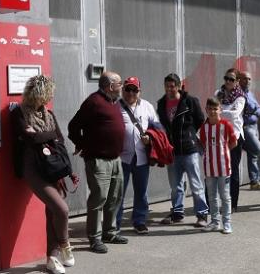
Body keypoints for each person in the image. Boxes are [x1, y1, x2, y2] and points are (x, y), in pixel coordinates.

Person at [12, 75, 78, 273]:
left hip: (51, 166)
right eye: (47, 94)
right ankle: (65, 245)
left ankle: (53, 257)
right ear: (38, 94)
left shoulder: (48, 114)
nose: (49, 98)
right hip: (32, 168)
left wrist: (42, 136)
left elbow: (59, 139)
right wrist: (47, 137)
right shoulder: (19, 113)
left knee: (53, 212)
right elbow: (30, 138)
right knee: (62, 209)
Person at [68, 71, 127, 254]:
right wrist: (82, 144)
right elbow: (73, 126)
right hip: (98, 160)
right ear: (110, 86)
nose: (121, 87)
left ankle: (110, 232)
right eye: (119, 84)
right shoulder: (93, 102)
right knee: (98, 199)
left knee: (114, 197)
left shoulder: (113, 102)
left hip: (115, 159)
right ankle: (95, 239)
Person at [157, 73, 208, 227]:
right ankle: (177, 213)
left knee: (196, 184)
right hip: (172, 151)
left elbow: (200, 119)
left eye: (172, 86)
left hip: (189, 149)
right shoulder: (161, 103)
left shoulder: (189, 101)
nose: (169, 89)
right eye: (167, 86)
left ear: (179, 86)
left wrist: (191, 136)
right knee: (175, 186)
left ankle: (202, 215)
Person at [116, 77, 161, 235]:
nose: (131, 93)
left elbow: (158, 127)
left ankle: (140, 221)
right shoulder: (116, 106)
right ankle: (115, 223)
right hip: (122, 158)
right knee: (118, 192)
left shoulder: (147, 106)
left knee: (141, 191)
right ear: (123, 90)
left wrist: (150, 136)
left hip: (141, 157)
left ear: (139, 92)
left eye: (134, 90)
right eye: (128, 89)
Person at [198, 97, 238, 234]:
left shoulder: (226, 125)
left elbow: (233, 143)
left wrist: (223, 153)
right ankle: (215, 222)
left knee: (225, 197)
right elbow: (203, 144)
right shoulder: (204, 127)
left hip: (224, 167)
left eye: (215, 108)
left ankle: (227, 223)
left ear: (220, 109)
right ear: (206, 110)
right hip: (209, 168)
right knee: (212, 197)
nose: (213, 111)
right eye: (210, 109)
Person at [215, 68, 247, 211]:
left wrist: (219, 112)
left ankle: (232, 204)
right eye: (226, 78)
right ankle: (216, 201)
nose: (228, 81)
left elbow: (234, 114)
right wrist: (218, 112)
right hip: (219, 135)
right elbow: (211, 109)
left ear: (237, 81)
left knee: (232, 170)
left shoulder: (240, 97)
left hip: (234, 136)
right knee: (218, 170)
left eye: (231, 79)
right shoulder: (218, 93)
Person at [238, 71, 260, 191]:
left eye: (249, 79)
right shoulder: (238, 94)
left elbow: (259, 109)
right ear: (239, 80)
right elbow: (245, 113)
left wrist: (255, 113)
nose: (247, 81)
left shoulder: (250, 93)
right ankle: (242, 145)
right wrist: (254, 113)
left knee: (253, 155)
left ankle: (254, 181)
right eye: (245, 79)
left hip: (254, 126)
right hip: (246, 127)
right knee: (257, 149)